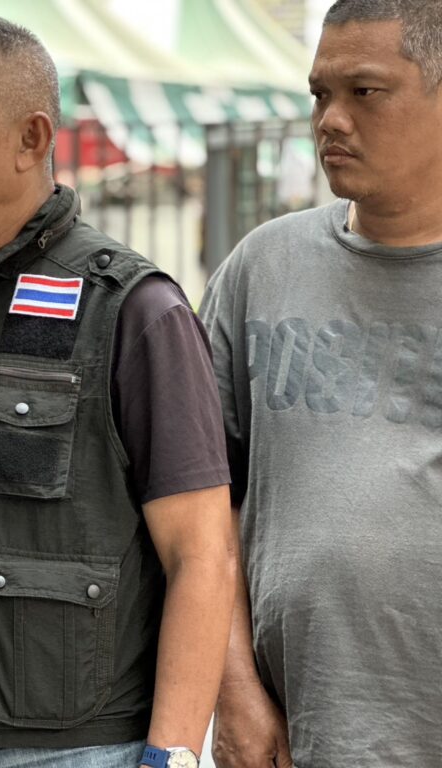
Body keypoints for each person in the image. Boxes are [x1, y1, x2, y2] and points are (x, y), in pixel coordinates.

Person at [0, 15, 235, 768]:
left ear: (30, 139)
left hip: (73, 751)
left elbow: (202, 554)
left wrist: (172, 756)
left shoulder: (135, 309)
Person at [198, 2, 442, 766]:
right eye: (319, 94)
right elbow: (195, 505)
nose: (331, 120)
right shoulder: (261, 268)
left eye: (364, 91)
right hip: (294, 733)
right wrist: (233, 693)